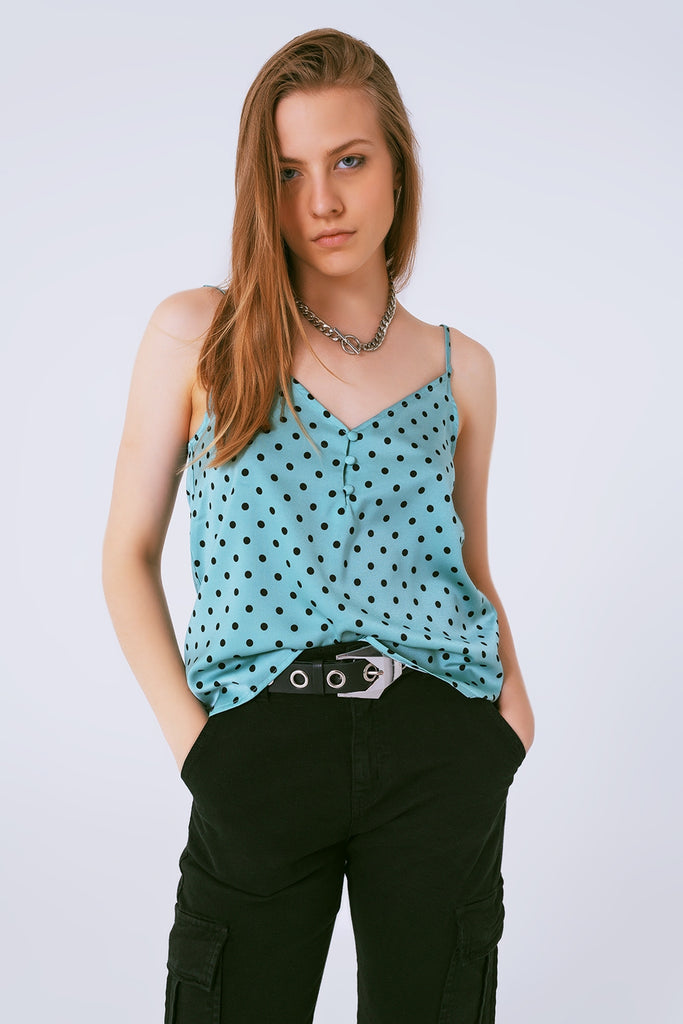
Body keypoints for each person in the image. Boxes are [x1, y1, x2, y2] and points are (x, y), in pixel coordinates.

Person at [102, 26, 534, 1024]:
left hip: (438, 744)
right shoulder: (201, 333)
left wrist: (507, 724)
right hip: (257, 745)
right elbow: (126, 554)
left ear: (397, 167)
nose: (322, 202)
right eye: (288, 172)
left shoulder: (460, 369)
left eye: (348, 161)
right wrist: (197, 746)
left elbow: (469, 563)